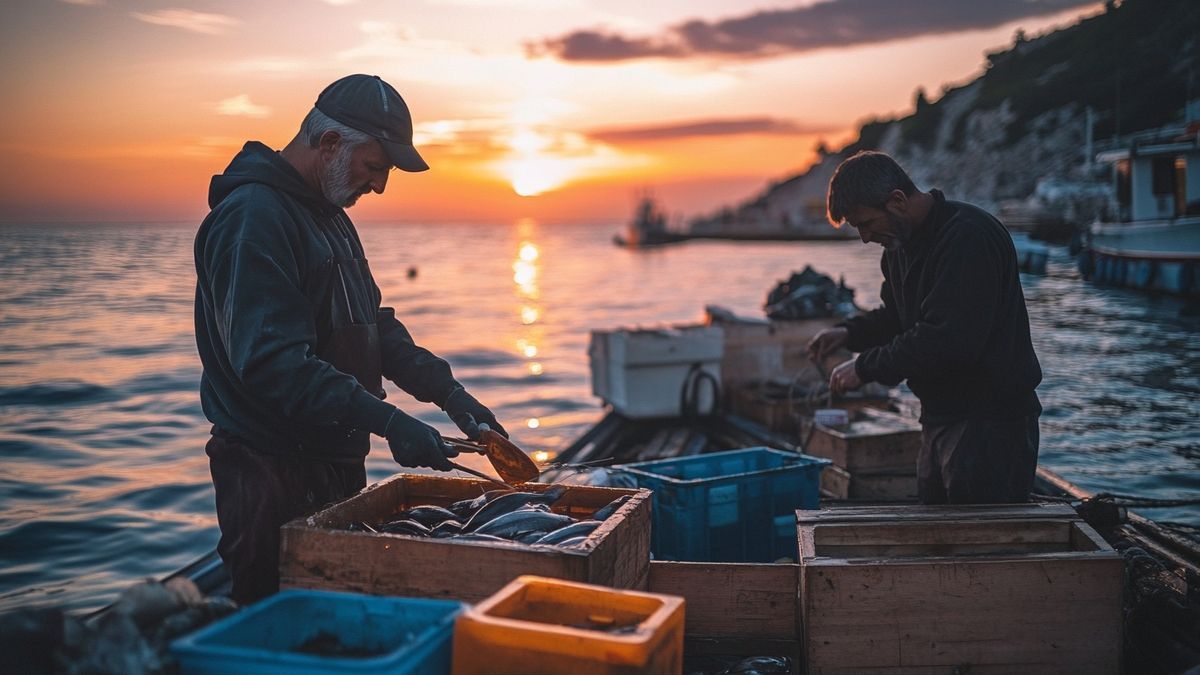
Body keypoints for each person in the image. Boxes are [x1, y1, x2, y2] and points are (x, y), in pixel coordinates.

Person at [194, 74, 507, 604]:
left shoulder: (330, 215)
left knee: (334, 620)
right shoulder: (254, 218)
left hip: (332, 465)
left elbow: (371, 324)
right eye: (376, 167)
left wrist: (447, 393)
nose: (380, 185)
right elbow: (274, 364)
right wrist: (389, 422)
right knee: (277, 625)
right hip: (271, 472)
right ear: (330, 143)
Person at [807, 151, 1042, 505]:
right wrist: (849, 333)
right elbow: (897, 317)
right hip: (938, 418)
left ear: (897, 201)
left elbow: (946, 340)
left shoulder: (968, 238)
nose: (865, 238)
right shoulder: (898, 249)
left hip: (991, 425)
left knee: (982, 547)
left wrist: (864, 367)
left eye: (867, 224)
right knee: (939, 541)